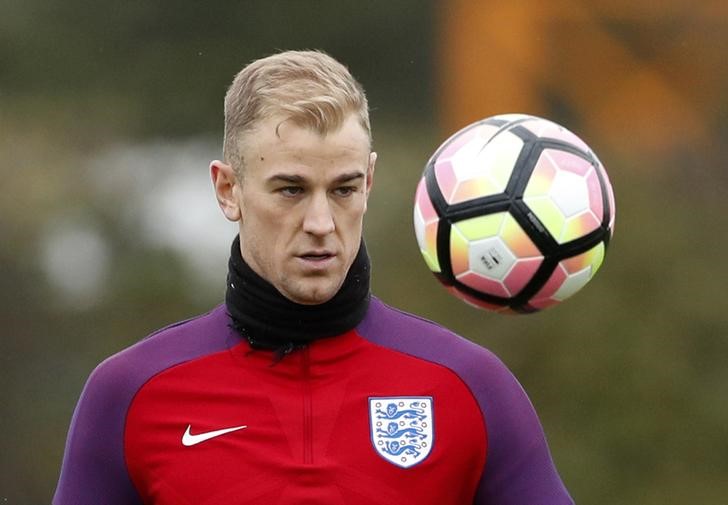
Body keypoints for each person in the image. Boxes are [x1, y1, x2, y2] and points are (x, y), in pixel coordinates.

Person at [53, 50, 574, 505]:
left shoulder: (470, 385)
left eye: (344, 189)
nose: (321, 224)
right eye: (291, 190)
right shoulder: (130, 393)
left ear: (369, 181)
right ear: (228, 190)